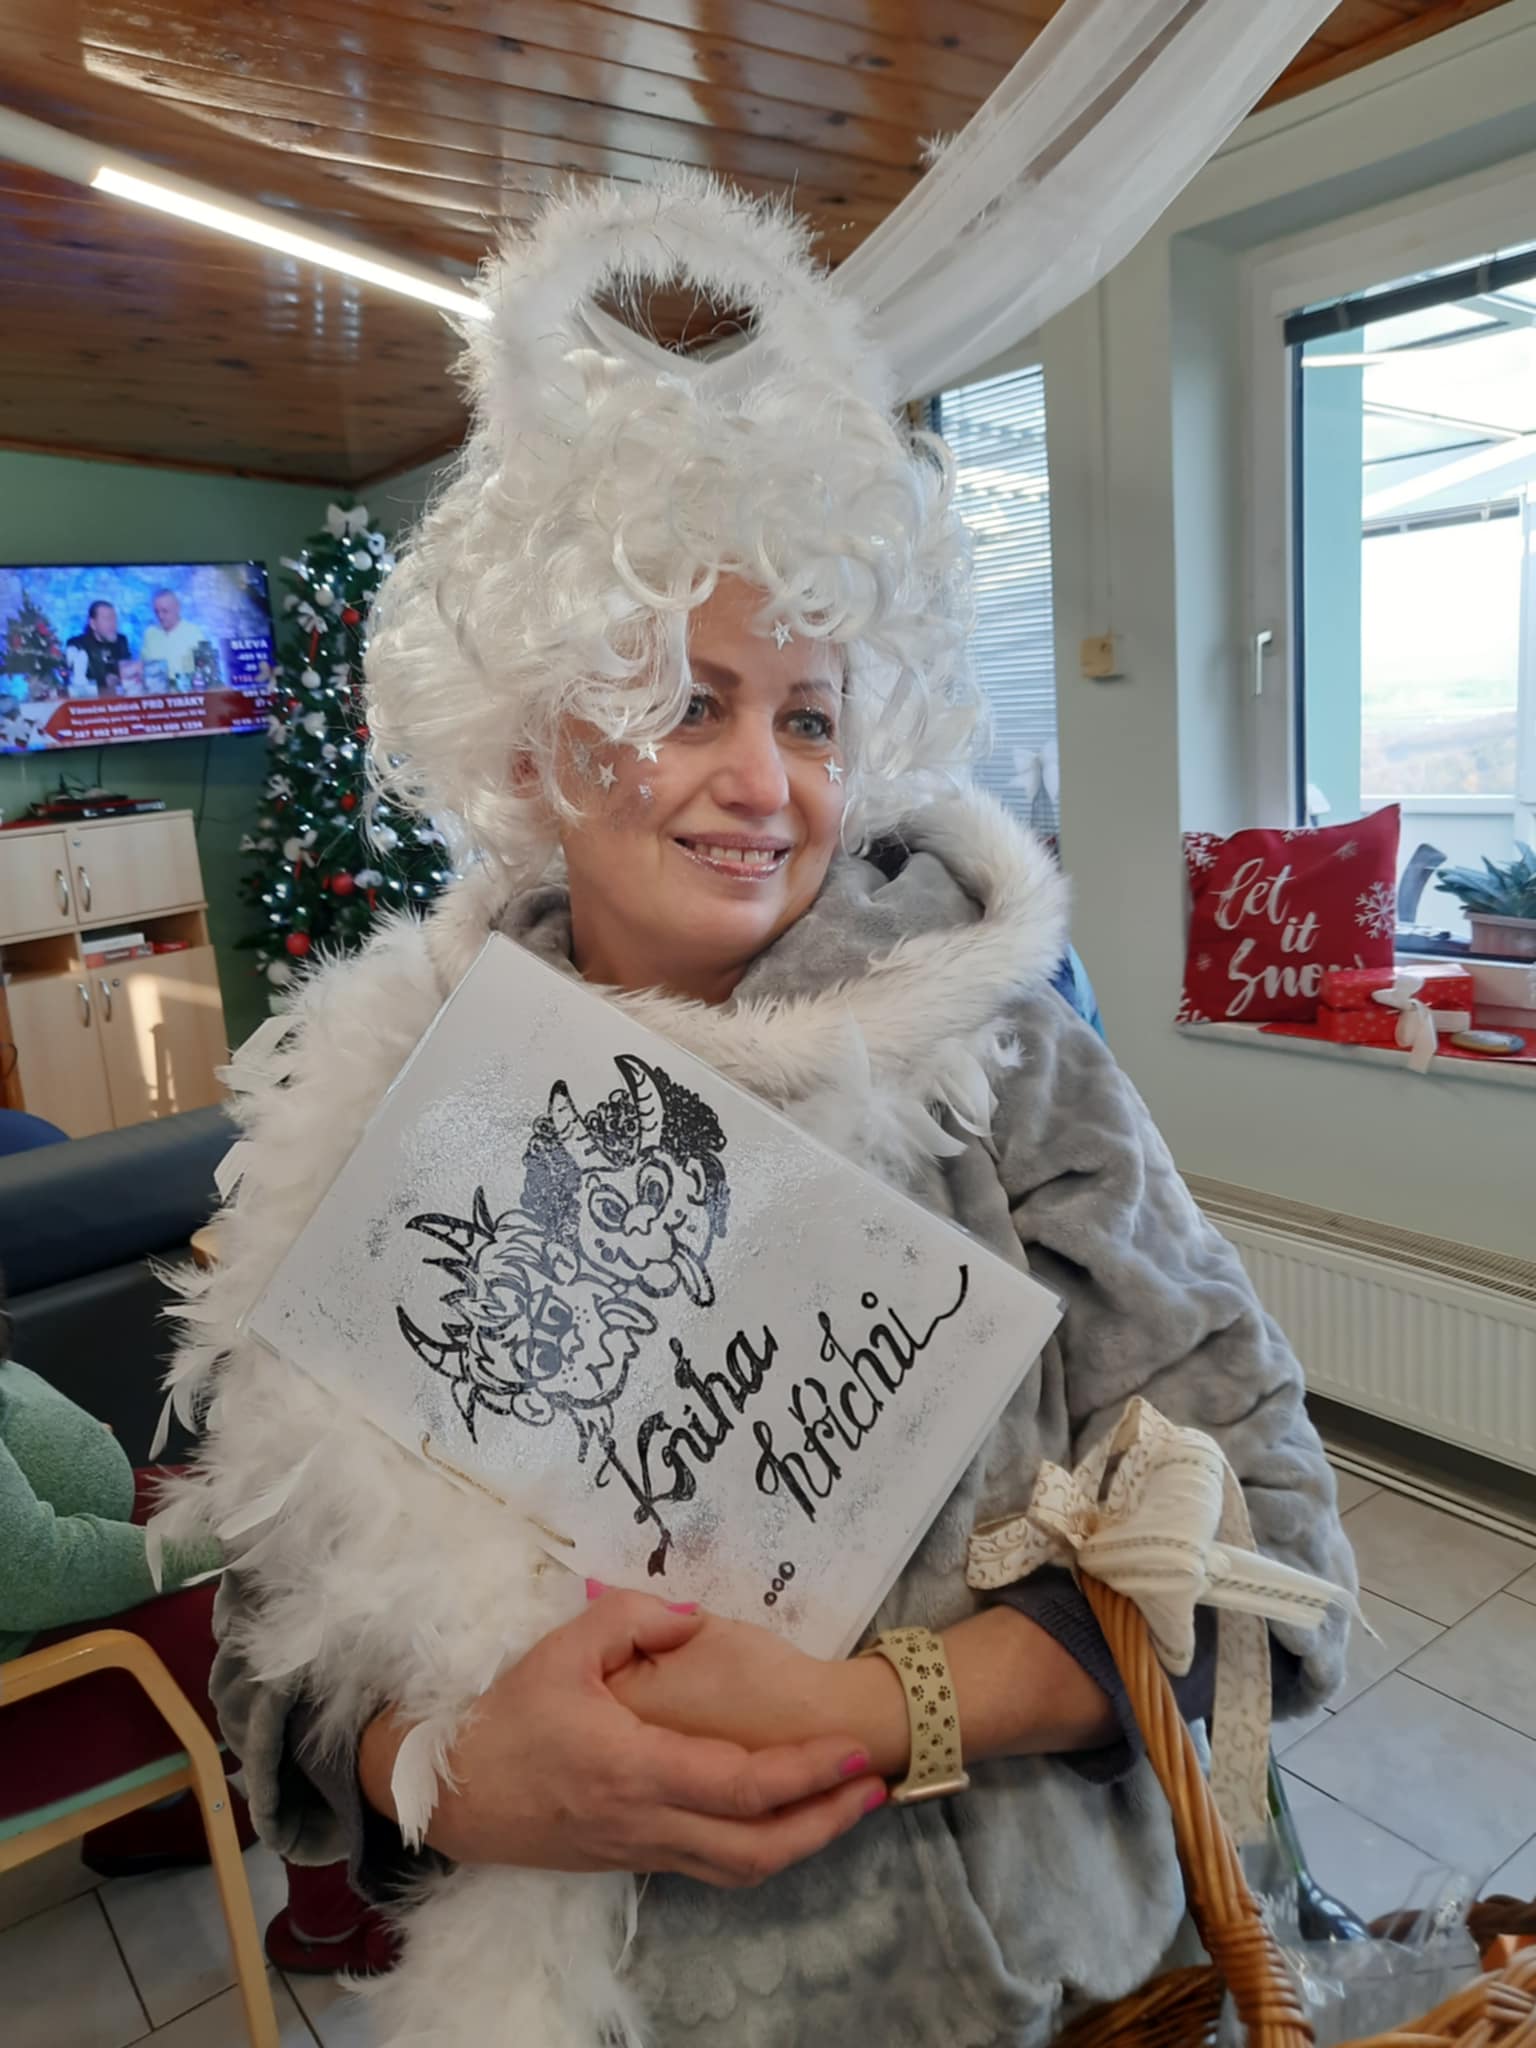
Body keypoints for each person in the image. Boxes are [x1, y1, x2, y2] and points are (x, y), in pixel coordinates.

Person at [155, 176, 1356, 2047]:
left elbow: (1277, 1548)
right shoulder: (402, 1101)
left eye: (807, 716)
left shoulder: (1002, 1064)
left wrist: (888, 1706)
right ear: (542, 738)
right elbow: (268, 1658)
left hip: (1052, 2000)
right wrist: (444, 1773)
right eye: (683, 700)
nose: (760, 784)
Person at [0, 1284, 396, 1977]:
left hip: (55, 1582)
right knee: (304, 1618)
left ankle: (157, 1819)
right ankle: (329, 1923)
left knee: (273, 1504)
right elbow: (32, 1573)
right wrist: (218, 1548)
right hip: (33, 1671)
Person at [140, 588, 207, 690]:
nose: (160, 616)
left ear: (177, 608)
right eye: (156, 612)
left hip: (186, 692)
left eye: (165, 611)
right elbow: (144, 667)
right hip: (157, 692)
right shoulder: (150, 634)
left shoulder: (194, 633)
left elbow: (204, 670)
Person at [65, 600, 131, 696]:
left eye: (114, 618)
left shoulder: (121, 641)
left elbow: (128, 670)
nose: (112, 624)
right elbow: (76, 679)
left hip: (119, 698)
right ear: (93, 623)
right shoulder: (77, 645)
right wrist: (102, 681)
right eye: (107, 619)